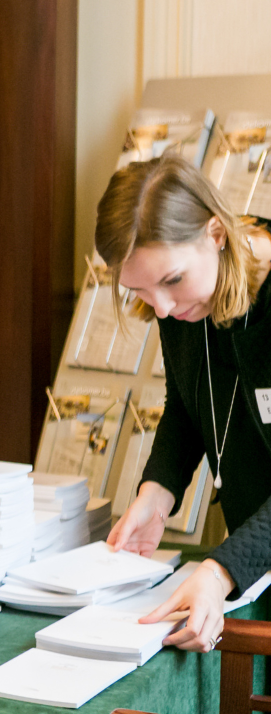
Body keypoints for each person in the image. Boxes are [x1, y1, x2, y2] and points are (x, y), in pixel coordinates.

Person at [99, 152, 271, 653]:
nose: (164, 308)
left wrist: (219, 572)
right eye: (140, 289)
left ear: (216, 234)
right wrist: (157, 493)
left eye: (172, 280)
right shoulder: (174, 304)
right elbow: (188, 404)